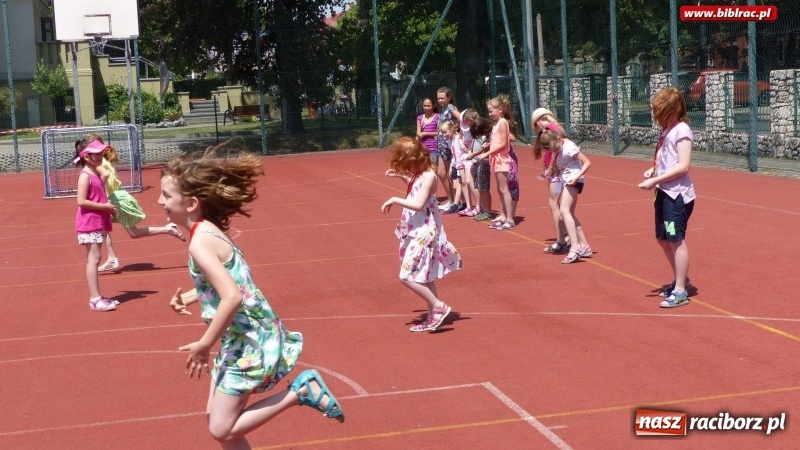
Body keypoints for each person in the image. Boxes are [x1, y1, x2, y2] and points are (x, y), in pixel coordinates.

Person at [160, 145, 344, 448]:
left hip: (249, 340)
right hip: (247, 335)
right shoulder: (208, 231)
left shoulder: (200, 243)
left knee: (221, 428)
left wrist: (205, 344)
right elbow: (232, 284)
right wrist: (193, 296)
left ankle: (300, 391)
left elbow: (231, 296)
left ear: (191, 203)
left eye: (166, 196)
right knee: (217, 420)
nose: (160, 201)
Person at [381, 137, 462, 332]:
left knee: (406, 276)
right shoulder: (420, 175)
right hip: (415, 230)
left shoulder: (429, 176)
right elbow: (414, 189)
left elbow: (418, 203)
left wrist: (394, 198)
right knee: (425, 277)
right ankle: (433, 314)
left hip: (424, 233)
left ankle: (438, 306)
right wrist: (400, 176)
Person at [76, 135, 185, 273]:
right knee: (102, 228)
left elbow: (104, 176)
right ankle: (112, 258)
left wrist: (98, 191)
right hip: (117, 196)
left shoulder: (97, 163)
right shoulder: (100, 162)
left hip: (116, 199)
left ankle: (168, 229)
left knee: (133, 232)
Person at [637, 87, 696, 308]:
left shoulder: (682, 131)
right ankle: (682, 279)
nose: (657, 117)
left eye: (661, 112)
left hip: (677, 195)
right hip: (662, 192)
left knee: (675, 239)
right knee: (662, 239)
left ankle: (681, 290)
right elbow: (666, 161)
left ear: (673, 109)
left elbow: (683, 166)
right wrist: (653, 172)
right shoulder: (667, 130)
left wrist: (654, 180)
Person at [537, 122, 592, 264]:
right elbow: (554, 161)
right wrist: (549, 171)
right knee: (570, 213)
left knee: (564, 210)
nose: (554, 150)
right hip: (562, 178)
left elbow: (587, 162)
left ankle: (574, 248)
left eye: (554, 148)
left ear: (557, 138)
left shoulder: (569, 147)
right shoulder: (555, 147)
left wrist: (577, 176)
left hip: (573, 179)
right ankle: (585, 246)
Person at [73, 140, 118, 311]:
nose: (101, 156)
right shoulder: (85, 176)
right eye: (96, 153)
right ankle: (94, 299)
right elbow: (81, 201)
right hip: (89, 222)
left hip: (97, 221)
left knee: (95, 258)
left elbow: (105, 174)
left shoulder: (94, 173)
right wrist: (105, 207)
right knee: (94, 259)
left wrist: (95, 162)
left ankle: (97, 296)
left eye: (101, 153)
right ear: (86, 156)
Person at [531, 108, 569, 253]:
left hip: (555, 173)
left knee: (553, 203)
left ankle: (561, 239)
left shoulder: (549, 128)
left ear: (539, 121)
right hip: (556, 171)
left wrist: (551, 166)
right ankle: (565, 235)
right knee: (556, 203)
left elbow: (554, 150)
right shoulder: (556, 127)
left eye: (536, 126)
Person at [480, 96, 519, 231]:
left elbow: (503, 144)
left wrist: (487, 153)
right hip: (496, 159)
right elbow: (497, 141)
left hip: (503, 159)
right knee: (500, 189)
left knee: (504, 189)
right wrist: (489, 145)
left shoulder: (502, 123)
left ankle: (510, 218)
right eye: (489, 112)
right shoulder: (497, 124)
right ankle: (503, 216)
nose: (490, 114)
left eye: (492, 111)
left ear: (500, 109)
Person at [435, 87, 460, 213]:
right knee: (441, 173)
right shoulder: (443, 109)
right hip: (441, 145)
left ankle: (457, 201)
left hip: (448, 145)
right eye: (438, 98)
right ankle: (451, 200)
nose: (440, 100)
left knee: (451, 175)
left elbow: (461, 118)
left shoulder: (451, 108)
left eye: (442, 98)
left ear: (449, 97)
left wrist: (456, 130)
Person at [467, 117, 495, 221]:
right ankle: (483, 209)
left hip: (485, 162)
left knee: (484, 188)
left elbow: (509, 138)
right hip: (479, 161)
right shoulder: (485, 135)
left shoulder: (493, 132)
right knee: (479, 187)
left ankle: (488, 211)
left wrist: (488, 146)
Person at [440, 120, 470, 213]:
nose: (444, 135)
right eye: (442, 133)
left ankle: (455, 205)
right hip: (455, 165)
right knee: (454, 187)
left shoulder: (457, 139)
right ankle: (463, 203)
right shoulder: (451, 141)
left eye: (445, 132)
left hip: (460, 166)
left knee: (458, 186)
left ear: (452, 129)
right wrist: (451, 167)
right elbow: (454, 155)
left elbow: (460, 154)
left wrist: (458, 167)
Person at [457, 109, 481, 217]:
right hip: (462, 154)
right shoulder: (463, 126)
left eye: (467, 121)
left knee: (470, 180)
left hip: (472, 155)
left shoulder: (477, 127)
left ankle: (479, 206)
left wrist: (472, 152)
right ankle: (468, 206)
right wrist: (461, 143)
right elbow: (460, 136)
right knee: (464, 181)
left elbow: (479, 142)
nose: (465, 123)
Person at [416, 97, 440, 163]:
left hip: (433, 148)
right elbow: (418, 132)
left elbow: (439, 132)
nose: (426, 108)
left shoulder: (438, 117)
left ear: (434, 106)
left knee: (433, 168)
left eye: (428, 106)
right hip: (422, 148)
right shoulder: (420, 118)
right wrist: (419, 136)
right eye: (425, 106)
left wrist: (425, 133)